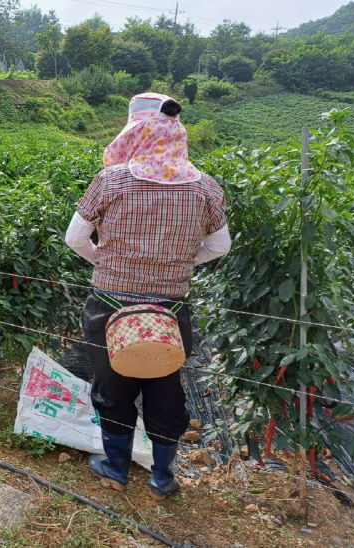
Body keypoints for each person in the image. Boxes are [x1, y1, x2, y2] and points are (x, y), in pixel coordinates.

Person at [65, 92, 231, 499]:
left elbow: (75, 239)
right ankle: (161, 477)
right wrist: (182, 263)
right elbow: (220, 246)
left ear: (134, 132)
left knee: (112, 388)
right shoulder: (205, 187)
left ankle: (116, 468)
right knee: (164, 387)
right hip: (169, 309)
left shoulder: (112, 180)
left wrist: (104, 261)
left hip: (110, 306)